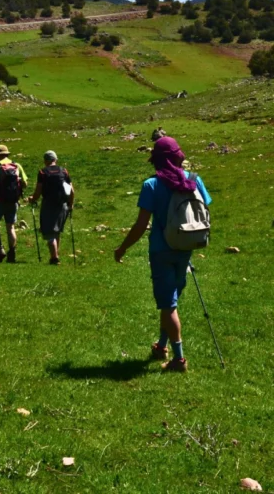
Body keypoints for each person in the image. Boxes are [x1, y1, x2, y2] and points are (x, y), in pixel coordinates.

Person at [114, 137, 212, 373]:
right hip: (187, 245)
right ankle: (161, 346)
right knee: (170, 299)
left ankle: (178, 359)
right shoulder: (194, 180)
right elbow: (205, 207)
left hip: (161, 249)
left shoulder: (151, 185)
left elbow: (140, 225)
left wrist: (122, 247)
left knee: (168, 305)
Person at [27, 151, 74, 265]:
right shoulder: (64, 171)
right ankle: (56, 255)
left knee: (49, 232)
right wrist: (70, 204)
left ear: (45, 160)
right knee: (57, 231)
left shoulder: (43, 172)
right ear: (55, 159)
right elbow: (71, 191)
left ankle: (54, 258)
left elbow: (38, 190)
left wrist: (33, 199)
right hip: (62, 204)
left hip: (48, 204)